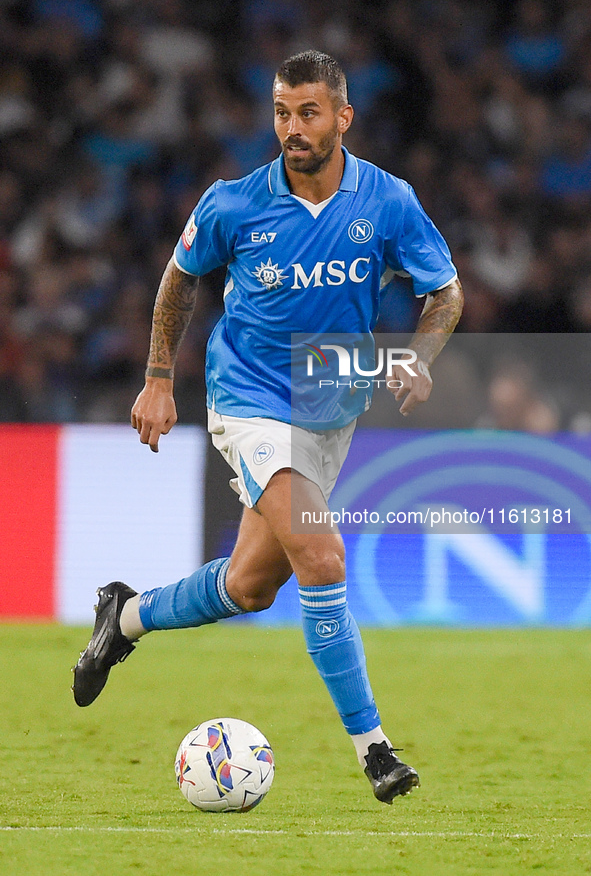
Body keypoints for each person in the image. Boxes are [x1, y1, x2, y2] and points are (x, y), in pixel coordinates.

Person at [72, 50, 463, 804]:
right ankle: (374, 750)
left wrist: (420, 357)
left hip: (331, 406)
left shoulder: (386, 202)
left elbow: (443, 293)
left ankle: (123, 616)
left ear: (342, 117)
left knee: (250, 587)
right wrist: (157, 379)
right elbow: (179, 280)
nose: (292, 128)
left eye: (308, 113)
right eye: (282, 113)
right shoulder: (234, 204)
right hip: (248, 397)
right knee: (319, 553)